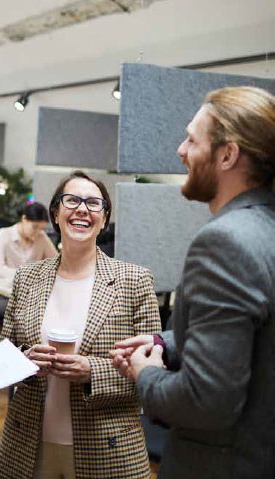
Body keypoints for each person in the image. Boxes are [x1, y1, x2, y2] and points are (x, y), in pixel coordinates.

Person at [110, 86, 275, 479]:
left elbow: (205, 402)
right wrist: (162, 342)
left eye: (191, 139)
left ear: (227, 155)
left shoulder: (225, 242)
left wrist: (143, 372)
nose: (181, 151)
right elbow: (255, 339)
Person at [0, 170, 161, 479]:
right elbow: (3, 355)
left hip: (107, 447)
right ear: (56, 214)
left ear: (104, 218)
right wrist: (26, 362)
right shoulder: (27, 278)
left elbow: (153, 373)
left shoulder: (134, 280)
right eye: (71, 200)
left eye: (93, 203)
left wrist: (91, 372)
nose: (82, 209)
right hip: (28, 443)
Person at [0, 202, 58, 280]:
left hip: (34, 288)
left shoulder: (41, 235)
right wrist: (26, 274)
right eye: (34, 227)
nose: (38, 232)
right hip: (9, 287)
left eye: (42, 228)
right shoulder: (4, 234)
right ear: (24, 219)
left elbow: (56, 263)